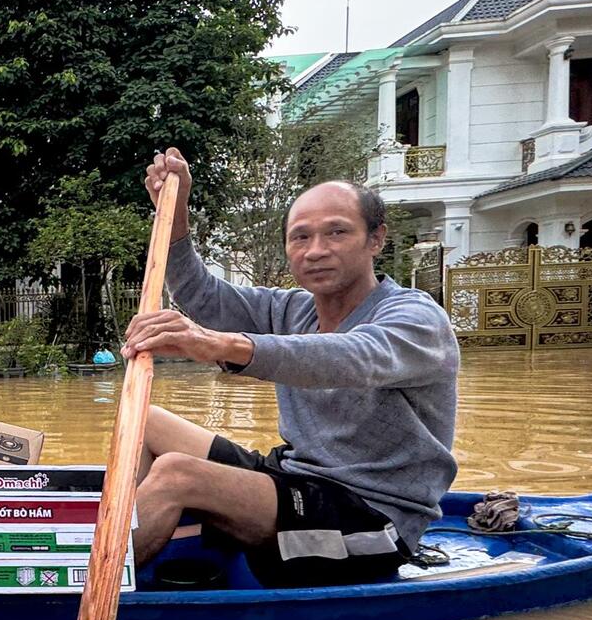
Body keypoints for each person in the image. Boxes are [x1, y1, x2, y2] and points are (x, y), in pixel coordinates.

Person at [120, 148, 459, 587]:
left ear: (375, 239)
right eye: (301, 237)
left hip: (370, 517)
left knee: (176, 475)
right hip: (297, 477)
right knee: (144, 419)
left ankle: (91, 581)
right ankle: (127, 536)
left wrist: (219, 344)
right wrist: (176, 213)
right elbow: (203, 296)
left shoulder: (416, 318)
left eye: (336, 232)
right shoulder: (291, 310)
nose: (316, 251)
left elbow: (352, 357)